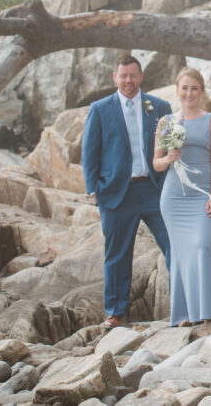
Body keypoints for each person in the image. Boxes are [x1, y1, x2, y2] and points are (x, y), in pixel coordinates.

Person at [82, 54, 172, 329]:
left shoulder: (159, 106)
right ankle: (115, 312)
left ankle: (187, 300)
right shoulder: (100, 109)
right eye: (123, 76)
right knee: (118, 254)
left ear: (141, 77)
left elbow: (169, 147)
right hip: (116, 193)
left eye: (133, 76)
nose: (128, 81)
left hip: (154, 189)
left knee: (174, 245)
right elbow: (89, 152)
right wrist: (94, 190)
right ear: (115, 78)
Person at [154, 67, 211, 325]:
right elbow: (155, 164)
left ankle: (210, 308)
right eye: (184, 88)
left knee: (201, 245)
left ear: (202, 91)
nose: (189, 93)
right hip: (174, 198)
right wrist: (168, 157)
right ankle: (186, 313)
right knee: (181, 253)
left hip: (202, 195)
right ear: (177, 91)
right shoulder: (166, 123)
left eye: (194, 88)